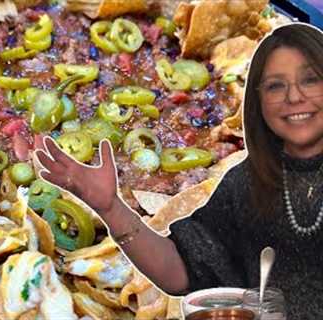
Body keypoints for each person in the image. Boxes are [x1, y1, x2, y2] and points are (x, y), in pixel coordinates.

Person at [35, 22, 323, 319]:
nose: (294, 97)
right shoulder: (245, 184)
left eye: (311, 80)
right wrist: (110, 208)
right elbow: (183, 270)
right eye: (276, 85)